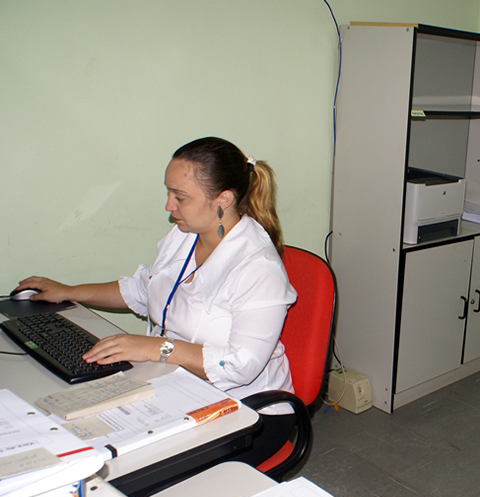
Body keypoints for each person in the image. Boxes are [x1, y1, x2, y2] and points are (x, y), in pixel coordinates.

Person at [15, 137, 297, 400]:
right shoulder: (184, 235)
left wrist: (156, 348)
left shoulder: (258, 268)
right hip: (175, 383)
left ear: (223, 200)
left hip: (245, 406)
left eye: (180, 197)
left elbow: (241, 366)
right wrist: (69, 292)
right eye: (168, 192)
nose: (168, 205)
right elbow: (142, 290)